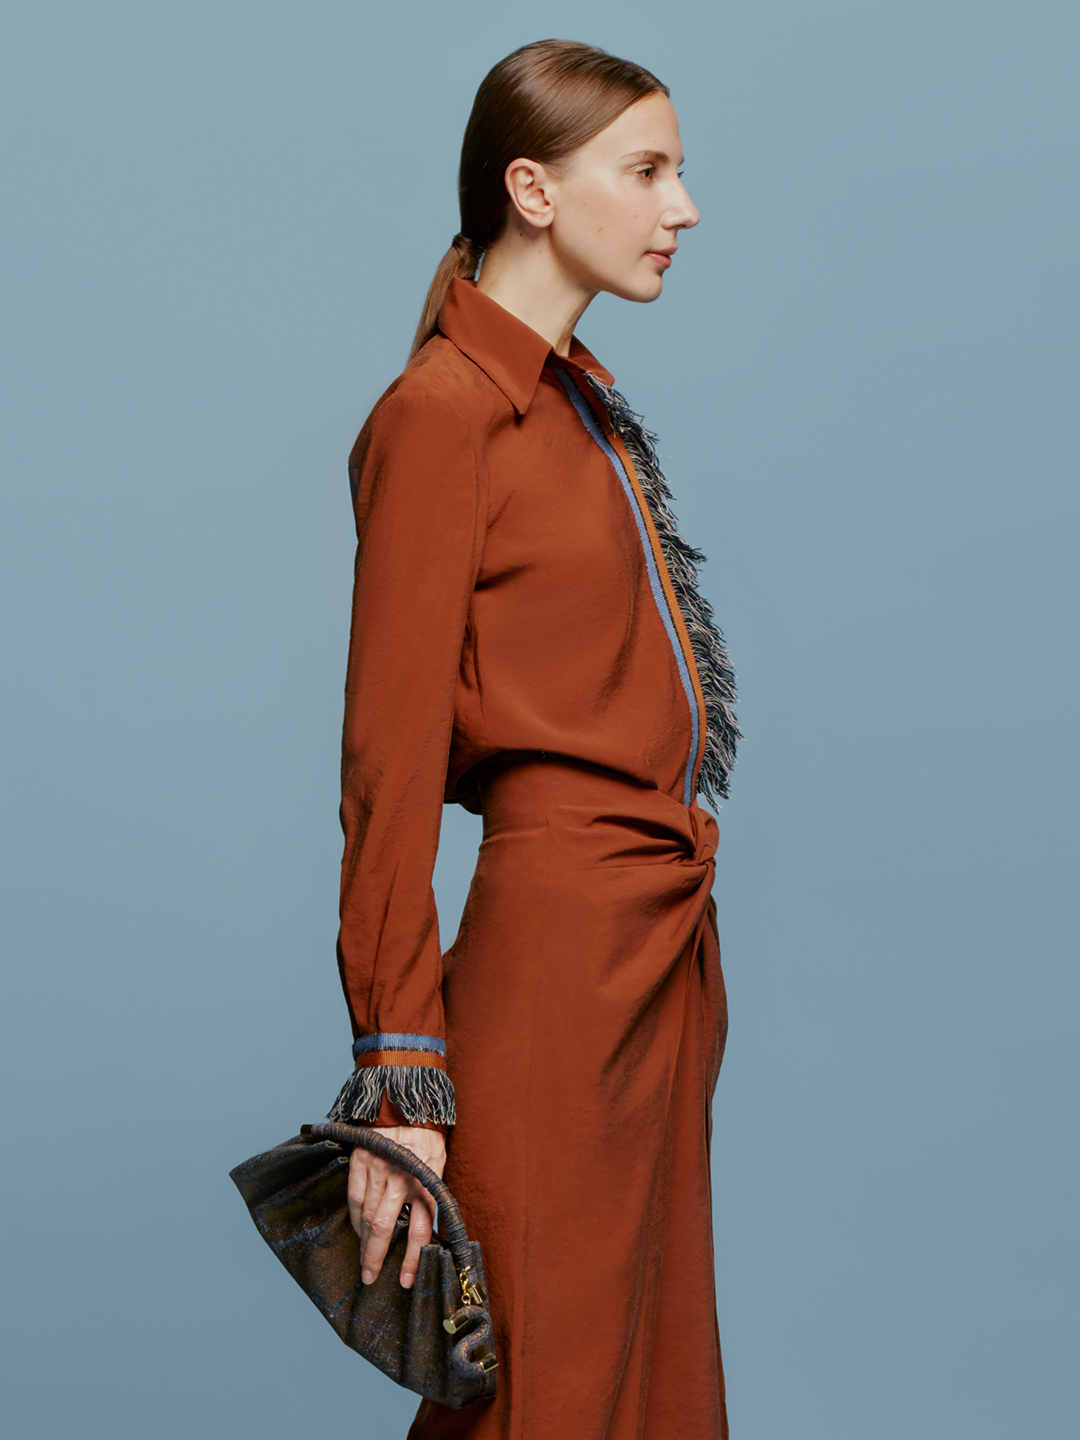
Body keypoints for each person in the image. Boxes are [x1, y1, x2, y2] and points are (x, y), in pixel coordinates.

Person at [329, 38, 740, 1440]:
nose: (682, 205)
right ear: (535, 189)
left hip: (658, 947)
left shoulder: (579, 403)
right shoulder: (441, 415)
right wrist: (401, 1073)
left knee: (651, 1375)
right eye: (647, 170)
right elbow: (385, 764)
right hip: (554, 958)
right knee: (544, 1387)